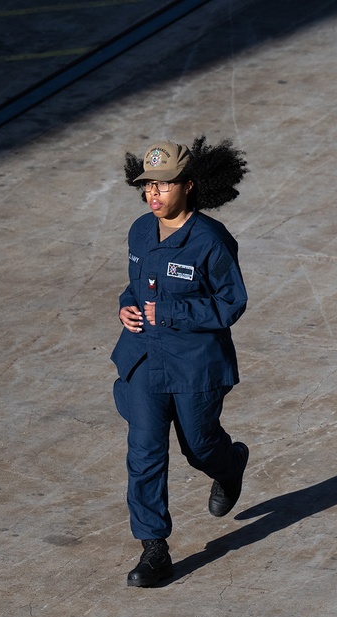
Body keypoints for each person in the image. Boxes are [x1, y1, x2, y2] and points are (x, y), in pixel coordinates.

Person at [111, 137, 250, 587]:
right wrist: (126, 306)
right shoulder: (138, 231)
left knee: (199, 446)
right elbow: (136, 285)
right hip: (145, 361)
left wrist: (172, 312)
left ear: (188, 186)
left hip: (194, 368)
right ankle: (154, 549)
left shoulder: (210, 240)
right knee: (144, 453)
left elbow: (232, 303)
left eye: (164, 185)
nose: (154, 193)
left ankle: (228, 466)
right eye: (148, 185)